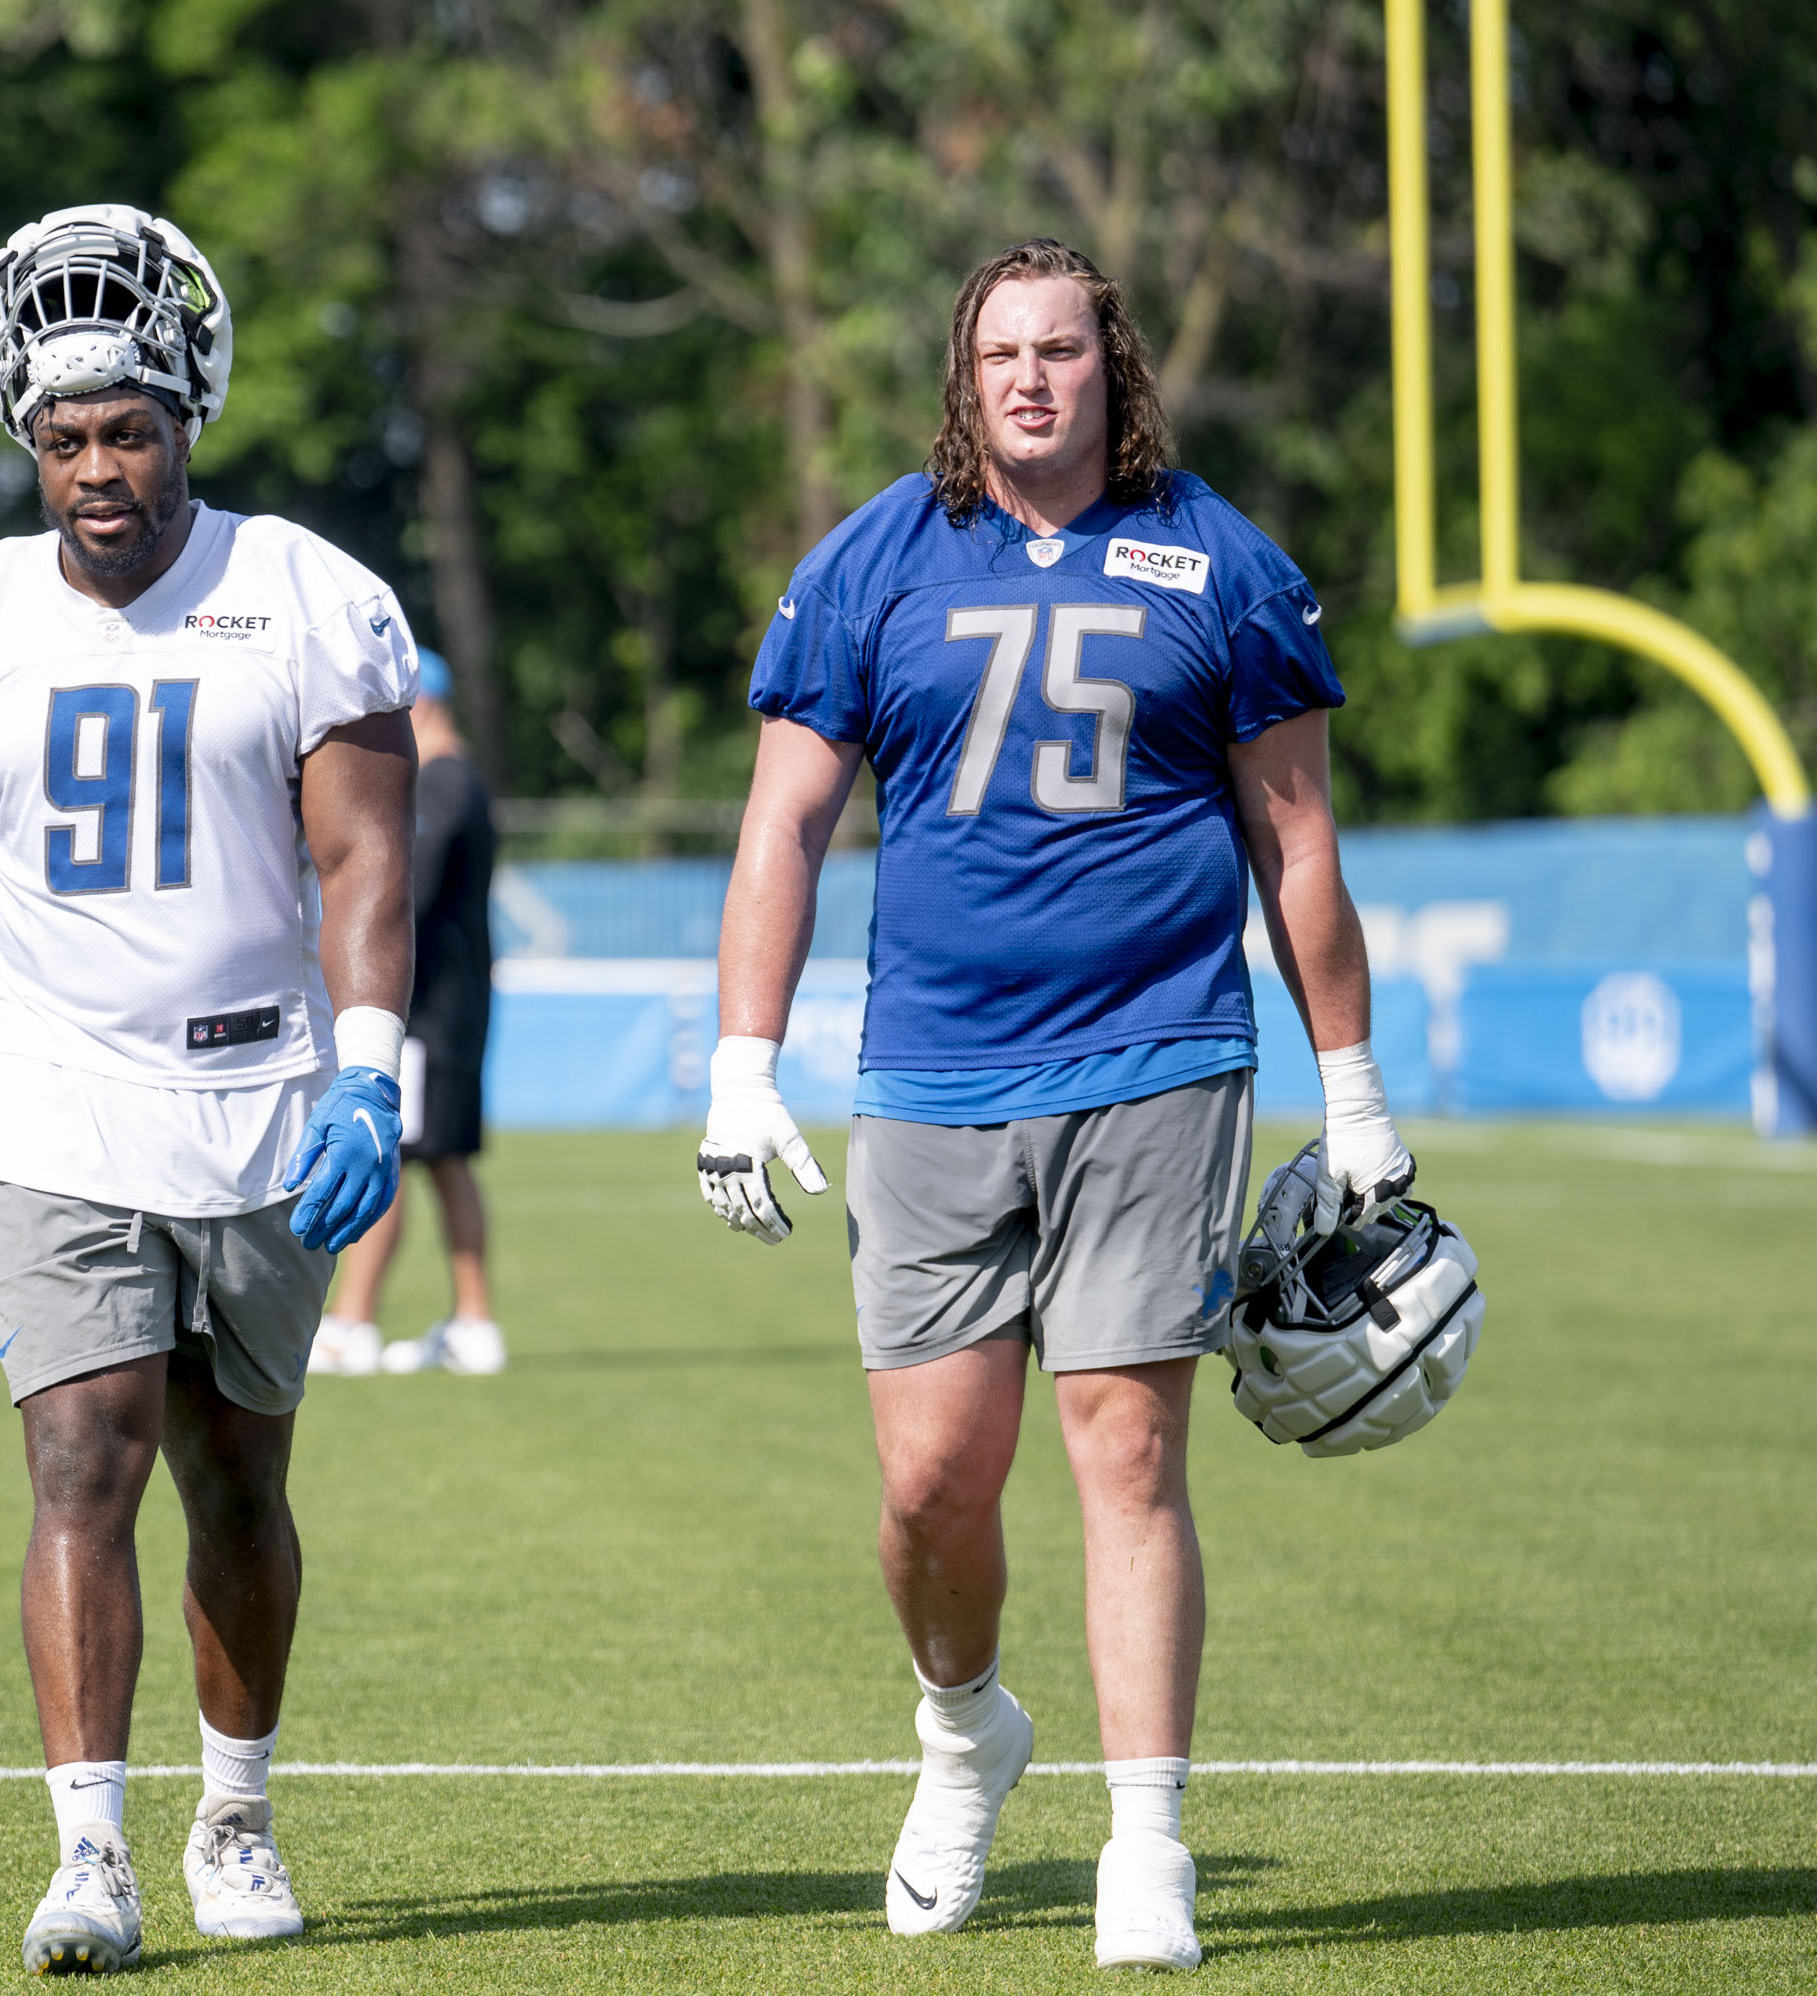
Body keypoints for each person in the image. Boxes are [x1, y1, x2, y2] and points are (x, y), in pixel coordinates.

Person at [698, 239, 1413, 1971]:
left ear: (1116, 367)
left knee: (1130, 1447)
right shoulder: (874, 560)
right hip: (934, 1076)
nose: (1031, 379)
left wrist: (1359, 1094)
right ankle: (964, 1736)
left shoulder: (1222, 562)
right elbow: (783, 825)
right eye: (1002, 352)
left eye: (1063, 352)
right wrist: (741, 1058)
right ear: (967, 372)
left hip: (1159, 1058)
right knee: (936, 1483)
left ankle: (1146, 1842)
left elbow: (1295, 839)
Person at [0, 203, 417, 1975]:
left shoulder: (312, 598)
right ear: (24, 443)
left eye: (125, 430)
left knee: (237, 1483)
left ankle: (235, 1808)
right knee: (76, 1465)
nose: (96, 468)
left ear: (187, 423)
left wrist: (371, 1079)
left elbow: (365, 871)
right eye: (63, 437)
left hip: (262, 1098)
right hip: (55, 1102)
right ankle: (89, 1849)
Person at [309, 646, 504, 1377]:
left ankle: (353, 1323)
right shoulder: (462, 783)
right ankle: (472, 1323)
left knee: (381, 1151)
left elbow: (401, 899)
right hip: (449, 1011)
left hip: (429, 1014)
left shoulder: (444, 785)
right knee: (441, 1162)